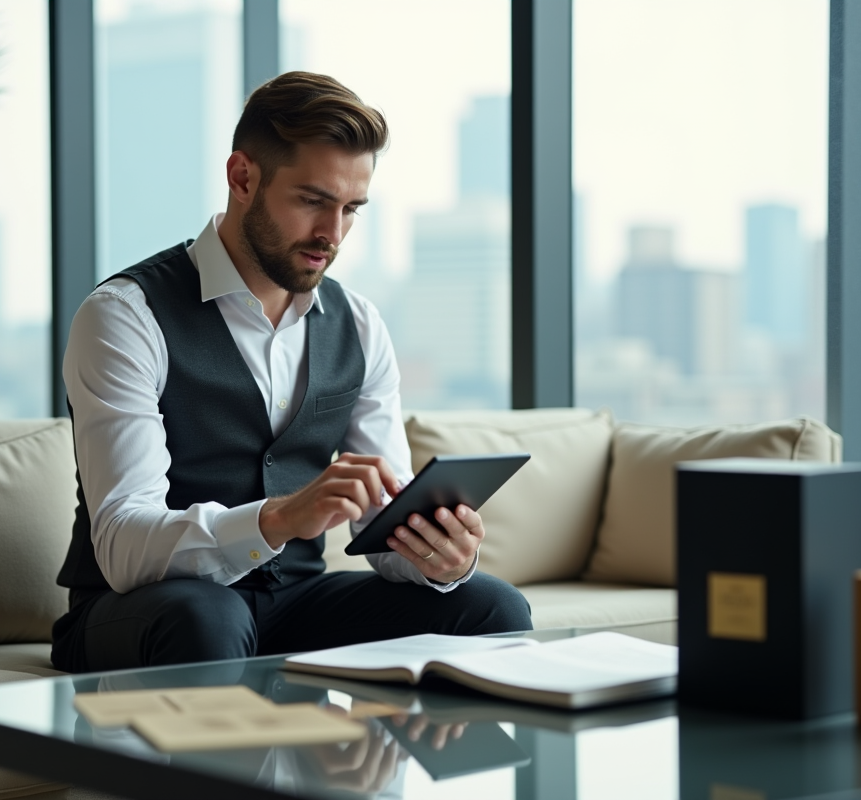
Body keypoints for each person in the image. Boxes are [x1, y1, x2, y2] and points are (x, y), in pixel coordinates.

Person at [50, 71, 532, 674]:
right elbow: (123, 544)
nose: (332, 234)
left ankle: (407, 765)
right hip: (140, 609)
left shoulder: (357, 323)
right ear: (242, 177)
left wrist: (439, 558)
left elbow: (386, 529)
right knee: (208, 617)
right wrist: (277, 518)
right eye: (312, 202)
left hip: (293, 603)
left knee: (490, 606)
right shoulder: (125, 316)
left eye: (351, 209)